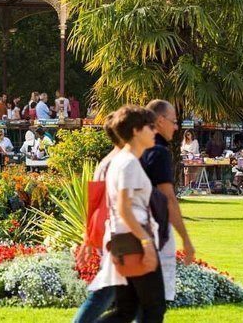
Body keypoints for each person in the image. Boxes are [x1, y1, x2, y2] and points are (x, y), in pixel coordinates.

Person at [96, 105, 166, 323]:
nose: (154, 131)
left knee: (126, 310)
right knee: (153, 309)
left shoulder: (121, 161)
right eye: (150, 127)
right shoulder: (128, 164)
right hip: (135, 240)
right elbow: (124, 208)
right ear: (136, 130)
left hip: (124, 239)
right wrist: (146, 243)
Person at [141, 99, 195, 304]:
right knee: (154, 304)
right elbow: (169, 199)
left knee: (129, 305)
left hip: (131, 229)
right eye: (173, 121)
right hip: (154, 230)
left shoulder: (135, 148)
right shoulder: (158, 151)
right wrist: (186, 240)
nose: (176, 126)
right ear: (160, 120)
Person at [73, 113, 123, 323]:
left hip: (109, 232)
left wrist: (89, 237)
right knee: (107, 292)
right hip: (117, 233)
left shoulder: (106, 162)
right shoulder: (119, 162)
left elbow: (92, 203)